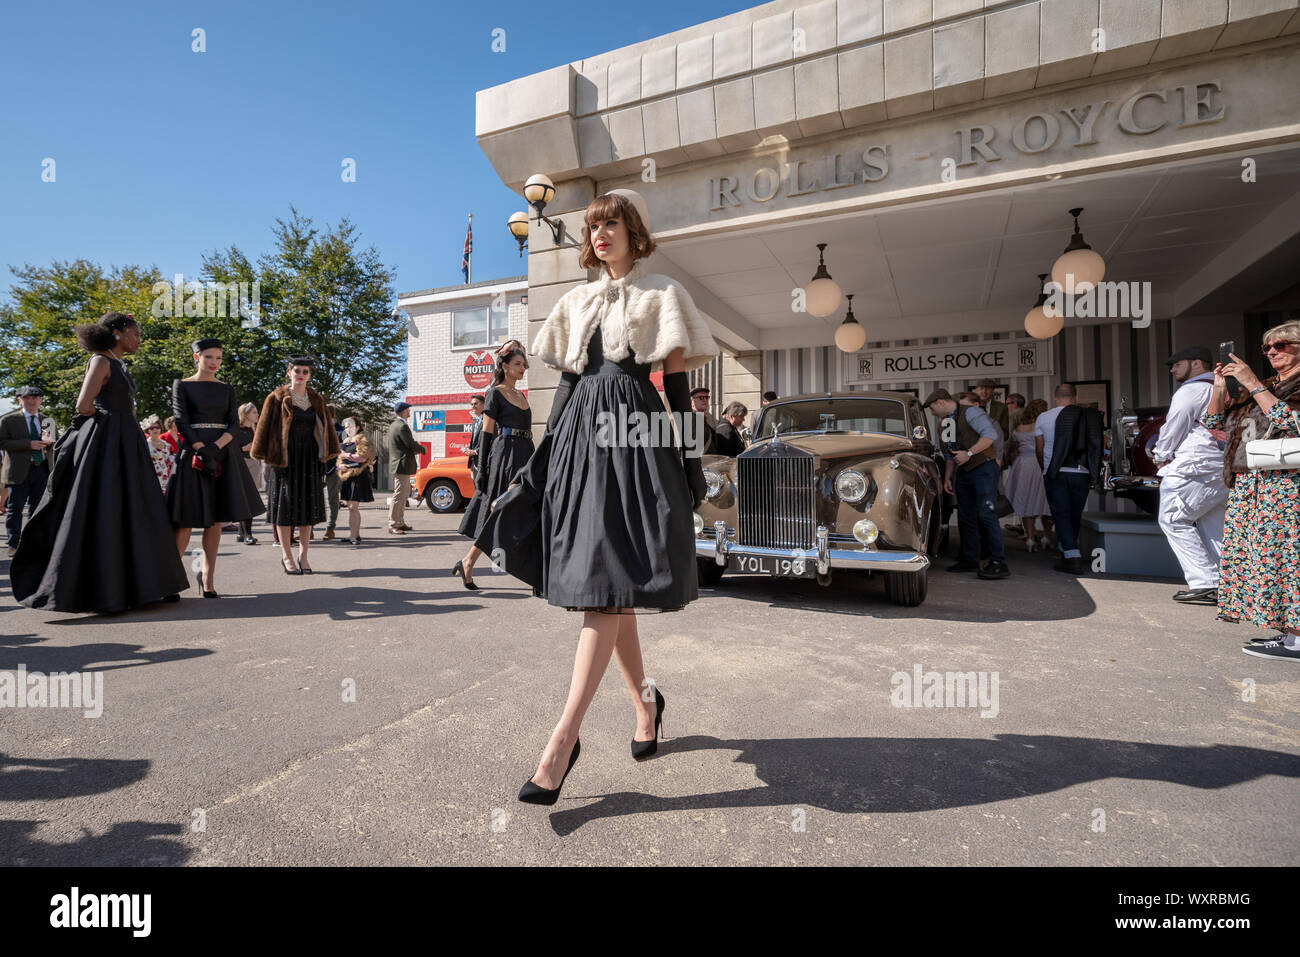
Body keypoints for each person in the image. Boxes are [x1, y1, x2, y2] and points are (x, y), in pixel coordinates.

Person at [476, 188, 716, 804]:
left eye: (612, 223)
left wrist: (690, 464)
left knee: (609, 587)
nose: (601, 233)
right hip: (584, 438)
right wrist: (543, 462)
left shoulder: (662, 293)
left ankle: (563, 740)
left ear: (635, 230)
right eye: (594, 225)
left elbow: (679, 386)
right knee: (608, 587)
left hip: (636, 435)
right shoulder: (574, 299)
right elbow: (562, 391)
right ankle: (646, 704)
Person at [10, 312, 190, 610]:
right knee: (105, 509)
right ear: (117, 333)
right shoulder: (101, 360)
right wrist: (111, 423)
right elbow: (83, 405)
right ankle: (108, 590)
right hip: (107, 444)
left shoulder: (117, 363)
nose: (139, 340)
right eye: (136, 333)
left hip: (124, 441)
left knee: (135, 509)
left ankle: (146, 585)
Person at [1203, 323, 1300, 662]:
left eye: (1282, 345)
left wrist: (1252, 382)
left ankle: (1298, 640)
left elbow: (1290, 420)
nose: (1272, 351)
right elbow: (1215, 424)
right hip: (1251, 483)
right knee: (1266, 559)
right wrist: (1219, 387)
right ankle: (1288, 632)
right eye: (1267, 348)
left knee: (1289, 559)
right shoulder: (1270, 385)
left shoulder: (1277, 386)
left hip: (1286, 485)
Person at [166, 339, 265, 597]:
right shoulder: (182, 385)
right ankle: (172, 581)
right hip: (192, 454)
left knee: (216, 522)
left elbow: (233, 423)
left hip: (223, 455)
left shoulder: (227, 389)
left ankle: (207, 579)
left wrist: (217, 447)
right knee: (185, 521)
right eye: (209, 357)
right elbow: (181, 420)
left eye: (219, 358)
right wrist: (200, 447)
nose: (214, 362)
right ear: (196, 357)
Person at [1151, 347, 1228, 605]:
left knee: (1173, 519)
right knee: (1212, 522)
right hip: (1221, 464)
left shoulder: (1191, 390)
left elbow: (1176, 423)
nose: (1172, 369)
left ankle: (1205, 581)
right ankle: (1230, 583)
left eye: (1176, 364)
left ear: (1196, 363)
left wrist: (1161, 454)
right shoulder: (1221, 386)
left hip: (1195, 464)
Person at [251, 356, 340, 575]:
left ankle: (303, 555)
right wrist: (270, 459)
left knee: (307, 510)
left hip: (309, 458)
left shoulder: (316, 399)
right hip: (285, 459)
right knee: (285, 509)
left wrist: (326, 457)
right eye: (297, 370)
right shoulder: (276, 397)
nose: (301, 375)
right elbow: (263, 429)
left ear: (309, 376)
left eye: (305, 372)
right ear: (289, 372)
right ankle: (286, 555)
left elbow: (326, 431)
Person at [453, 344, 533, 588]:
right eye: (518, 364)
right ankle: (468, 562)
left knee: (526, 510)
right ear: (505, 366)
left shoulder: (522, 395)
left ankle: (468, 561)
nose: (523, 368)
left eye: (524, 364)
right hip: (504, 453)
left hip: (525, 451)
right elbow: (487, 433)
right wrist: (482, 468)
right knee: (501, 511)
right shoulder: (493, 393)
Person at [923, 389, 1009, 579]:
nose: (932, 413)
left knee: (986, 513)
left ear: (941, 402)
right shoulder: (944, 423)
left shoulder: (971, 412)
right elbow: (949, 454)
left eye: (932, 408)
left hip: (984, 467)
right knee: (965, 515)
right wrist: (947, 478)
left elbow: (989, 436)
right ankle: (970, 559)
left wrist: (969, 453)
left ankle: (998, 562)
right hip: (964, 472)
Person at [1035, 383, 1104, 575]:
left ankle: (1072, 557)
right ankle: (1066, 551)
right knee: (1074, 513)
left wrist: (1045, 469)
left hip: (1056, 471)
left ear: (1055, 397)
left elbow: (1039, 449)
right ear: (1075, 398)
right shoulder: (1087, 416)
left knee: (1061, 514)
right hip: (1082, 472)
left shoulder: (1044, 417)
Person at [1, 386, 57, 557]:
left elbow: (53, 443)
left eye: (35, 398)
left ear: (41, 400)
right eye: (27, 398)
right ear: (20, 400)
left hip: (41, 470)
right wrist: (28, 444)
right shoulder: (8, 420)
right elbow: (2, 442)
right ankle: (13, 543)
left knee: (37, 509)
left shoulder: (48, 420)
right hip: (18, 471)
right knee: (15, 509)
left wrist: (49, 444)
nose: (31, 401)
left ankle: (31, 543)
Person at [1001, 398, 1054, 551]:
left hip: (1022, 465)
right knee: (1044, 502)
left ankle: (1030, 539)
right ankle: (1046, 536)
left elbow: (1015, 447)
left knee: (1025, 501)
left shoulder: (1019, 428)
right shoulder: (1042, 426)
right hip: (1039, 464)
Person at [336, 417, 375, 546]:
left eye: (350, 426)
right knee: (351, 508)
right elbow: (339, 460)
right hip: (347, 476)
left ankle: (354, 536)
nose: (347, 429)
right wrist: (339, 466)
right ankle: (354, 535)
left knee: (353, 507)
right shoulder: (346, 441)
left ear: (357, 427)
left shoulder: (363, 439)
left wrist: (345, 455)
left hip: (359, 475)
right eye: (346, 427)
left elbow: (363, 457)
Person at [386, 402, 421, 534]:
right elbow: (410, 444)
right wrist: (421, 449)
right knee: (399, 494)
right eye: (408, 409)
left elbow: (404, 445)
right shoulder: (401, 426)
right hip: (402, 465)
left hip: (401, 464)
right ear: (403, 411)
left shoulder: (396, 425)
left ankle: (399, 522)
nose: (409, 411)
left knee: (403, 494)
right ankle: (393, 524)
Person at [235, 401, 262, 544]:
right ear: (245, 414)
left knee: (247, 499)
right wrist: (243, 449)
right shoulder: (236, 429)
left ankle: (241, 532)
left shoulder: (254, 429)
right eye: (254, 412)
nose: (257, 414)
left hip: (254, 464)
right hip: (242, 465)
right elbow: (230, 448)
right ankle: (248, 535)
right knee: (248, 500)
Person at [323, 403, 343, 540]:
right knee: (314, 499)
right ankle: (309, 529)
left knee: (333, 499)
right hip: (319, 467)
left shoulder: (341, 430)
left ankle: (330, 528)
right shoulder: (320, 428)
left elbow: (345, 450)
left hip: (334, 468)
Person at [140, 414, 175, 494]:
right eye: (152, 428)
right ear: (148, 430)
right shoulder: (145, 445)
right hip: (151, 478)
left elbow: (171, 462)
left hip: (167, 478)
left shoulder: (167, 445)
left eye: (157, 427)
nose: (155, 430)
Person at [690, 386, 717, 455]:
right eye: (701, 398)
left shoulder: (703, 418)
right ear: (692, 401)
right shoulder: (691, 419)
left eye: (707, 397)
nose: (705, 400)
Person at [466, 394, 485, 480]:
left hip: (483, 463)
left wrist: (475, 451)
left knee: (483, 490)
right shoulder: (475, 422)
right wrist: (469, 448)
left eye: (476, 404)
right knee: (476, 489)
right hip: (473, 463)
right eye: (472, 404)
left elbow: (491, 442)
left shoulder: (488, 421)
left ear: (483, 405)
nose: (473, 406)